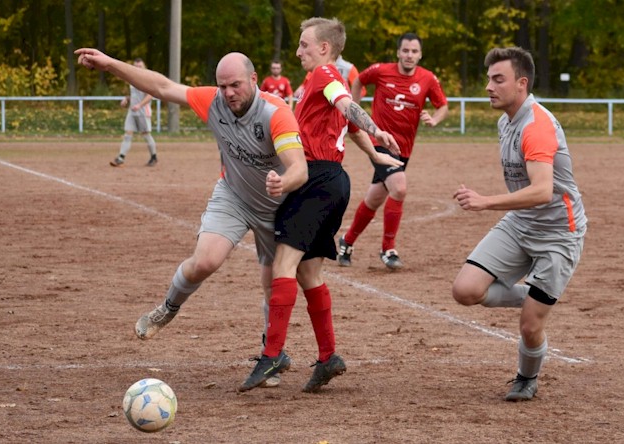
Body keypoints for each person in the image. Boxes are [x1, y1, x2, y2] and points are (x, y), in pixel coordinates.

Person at [75, 49, 309, 387]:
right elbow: (162, 86)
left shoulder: (276, 113)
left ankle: (270, 354)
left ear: (254, 80)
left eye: (236, 85)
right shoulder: (213, 101)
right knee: (205, 261)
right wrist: (110, 64)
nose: (229, 93)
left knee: (273, 283)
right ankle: (168, 307)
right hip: (233, 195)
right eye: (223, 85)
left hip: (277, 206)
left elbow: (299, 167)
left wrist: (282, 181)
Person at [238, 17, 402, 394]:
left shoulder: (326, 74)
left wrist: (376, 131)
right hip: (330, 181)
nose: (298, 52)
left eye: (304, 45)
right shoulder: (325, 79)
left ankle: (273, 354)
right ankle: (328, 358)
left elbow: (348, 109)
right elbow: (349, 123)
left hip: (315, 180)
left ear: (324, 48)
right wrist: (375, 156)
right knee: (309, 274)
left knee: (283, 263)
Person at [451, 47, 587, 402]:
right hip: (521, 223)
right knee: (465, 290)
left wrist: (485, 202)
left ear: (521, 84)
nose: (488, 86)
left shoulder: (537, 126)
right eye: (488, 79)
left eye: (498, 79)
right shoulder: (505, 121)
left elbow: (542, 191)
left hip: (559, 232)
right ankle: (537, 298)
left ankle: (526, 378)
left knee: (530, 326)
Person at [337, 32, 449, 270]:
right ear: (398, 52)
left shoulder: (428, 79)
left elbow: (443, 106)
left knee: (375, 198)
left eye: (414, 51)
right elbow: (358, 81)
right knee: (399, 187)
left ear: (420, 54)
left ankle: (346, 241)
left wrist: (435, 119)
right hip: (379, 142)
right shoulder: (380, 70)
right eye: (405, 50)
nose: (409, 55)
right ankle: (388, 249)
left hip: (404, 149)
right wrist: (354, 113)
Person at [110, 58, 158, 167]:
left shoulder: (147, 79)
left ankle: (154, 156)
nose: (137, 69)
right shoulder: (132, 79)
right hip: (132, 111)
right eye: (136, 66)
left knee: (146, 134)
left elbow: (150, 95)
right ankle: (121, 158)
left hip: (142, 111)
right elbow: (134, 95)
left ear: (144, 67)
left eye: (140, 66)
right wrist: (126, 99)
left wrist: (140, 105)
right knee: (128, 134)